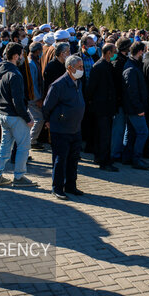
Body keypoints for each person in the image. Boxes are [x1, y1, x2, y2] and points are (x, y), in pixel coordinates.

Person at [0, 42, 37, 187]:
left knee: (5, 146)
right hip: (15, 116)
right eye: (21, 54)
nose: (23, 57)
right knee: (23, 146)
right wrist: (28, 118)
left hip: (3, 114)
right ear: (16, 56)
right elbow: (17, 101)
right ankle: (19, 176)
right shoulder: (15, 74)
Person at [43, 55, 86, 200]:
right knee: (60, 160)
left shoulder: (78, 82)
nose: (82, 70)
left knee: (73, 159)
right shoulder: (58, 85)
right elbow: (47, 106)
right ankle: (57, 188)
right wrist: (48, 121)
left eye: (82, 67)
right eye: (79, 67)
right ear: (70, 68)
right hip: (61, 129)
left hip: (75, 128)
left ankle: (70, 186)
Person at [86, 44, 119, 172]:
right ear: (109, 53)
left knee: (103, 134)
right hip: (101, 107)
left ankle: (101, 157)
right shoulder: (98, 67)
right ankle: (103, 161)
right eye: (114, 52)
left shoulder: (107, 66)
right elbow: (91, 88)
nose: (115, 54)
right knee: (103, 135)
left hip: (107, 106)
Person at [122, 41, 149, 170]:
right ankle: (137, 158)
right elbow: (132, 92)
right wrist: (139, 109)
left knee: (130, 132)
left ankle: (127, 157)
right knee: (143, 132)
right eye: (144, 51)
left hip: (132, 108)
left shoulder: (133, 65)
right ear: (140, 52)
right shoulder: (131, 68)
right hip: (135, 109)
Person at [110, 37, 131, 162]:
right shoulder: (121, 63)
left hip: (118, 100)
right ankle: (115, 153)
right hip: (119, 101)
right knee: (118, 129)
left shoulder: (117, 61)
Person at [24, 41, 45, 149]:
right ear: (37, 51)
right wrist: (37, 98)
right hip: (33, 98)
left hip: (34, 97)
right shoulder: (32, 63)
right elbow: (32, 83)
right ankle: (32, 140)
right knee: (39, 119)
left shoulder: (33, 61)